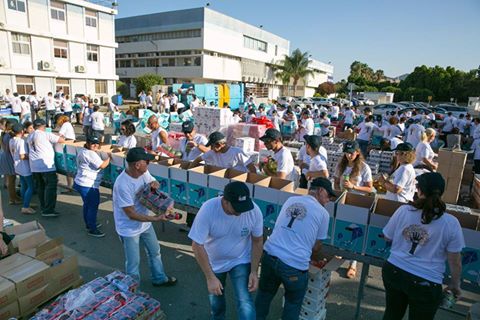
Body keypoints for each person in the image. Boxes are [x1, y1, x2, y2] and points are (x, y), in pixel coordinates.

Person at [382, 172, 464, 320]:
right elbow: (455, 260)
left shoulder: (404, 210)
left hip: (394, 270)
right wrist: (455, 284)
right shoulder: (451, 223)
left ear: (419, 190)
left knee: (391, 315)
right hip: (426, 282)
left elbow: (388, 236)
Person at [255, 177, 332, 320]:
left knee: (263, 297)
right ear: (320, 191)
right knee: (293, 304)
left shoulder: (291, 200)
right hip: (294, 265)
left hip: (270, 254)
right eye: (328, 196)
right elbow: (316, 247)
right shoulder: (323, 214)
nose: (328, 200)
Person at [189, 181, 263, 320]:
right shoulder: (208, 209)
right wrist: (210, 277)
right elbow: (197, 245)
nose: (240, 212)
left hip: (240, 259)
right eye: (236, 208)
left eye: (243, 207)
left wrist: (254, 271)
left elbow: (258, 241)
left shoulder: (254, 211)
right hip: (214, 262)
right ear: (225, 201)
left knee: (244, 300)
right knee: (216, 301)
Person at [112, 147, 177, 285]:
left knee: (155, 252)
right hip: (129, 229)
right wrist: (156, 218)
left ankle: (159, 279)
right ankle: (133, 294)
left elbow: (153, 181)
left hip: (145, 224)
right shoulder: (122, 184)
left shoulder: (143, 172)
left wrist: (155, 184)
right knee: (133, 264)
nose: (149, 163)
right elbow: (131, 214)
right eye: (146, 161)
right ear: (137, 165)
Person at [333, 140, 373, 279]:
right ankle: (339, 253)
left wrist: (353, 187)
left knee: (355, 232)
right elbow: (336, 181)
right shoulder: (341, 165)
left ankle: (353, 263)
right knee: (341, 228)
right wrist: (338, 190)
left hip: (357, 203)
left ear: (357, 152)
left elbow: (369, 189)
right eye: (347, 153)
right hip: (343, 201)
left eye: (352, 153)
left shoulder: (364, 167)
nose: (349, 156)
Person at [73, 135, 110, 237]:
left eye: (97, 143)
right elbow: (102, 165)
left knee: (87, 205)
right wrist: (109, 158)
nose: (95, 145)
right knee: (92, 207)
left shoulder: (82, 151)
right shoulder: (90, 154)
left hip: (80, 182)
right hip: (88, 185)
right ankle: (92, 229)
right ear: (88, 143)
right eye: (93, 143)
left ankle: (89, 224)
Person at [27, 118, 65, 217]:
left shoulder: (30, 135)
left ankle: (44, 207)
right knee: (51, 187)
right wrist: (60, 136)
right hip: (46, 166)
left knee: (41, 187)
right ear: (43, 126)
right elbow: (61, 140)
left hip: (34, 166)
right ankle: (48, 210)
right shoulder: (45, 134)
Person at [191, 132, 256, 173]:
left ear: (219, 145)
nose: (211, 148)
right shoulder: (212, 152)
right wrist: (189, 170)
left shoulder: (237, 152)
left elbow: (251, 167)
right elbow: (198, 159)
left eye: (212, 146)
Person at [9, 123, 35, 214]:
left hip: (17, 166)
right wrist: (32, 156)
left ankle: (26, 202)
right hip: (24, 166)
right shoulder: (21, 141)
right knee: (31, 186)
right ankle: (25, 206)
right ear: (22, 131)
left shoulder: (11, 140)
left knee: (24, 185)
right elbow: (22, 156)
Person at [0, 120, 22, 205]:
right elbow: (9, 149)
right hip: (8, 157)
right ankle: (12, 199)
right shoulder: (9, 135)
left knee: (11, 179)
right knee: (12, 180)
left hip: (5, 156)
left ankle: (14, 197)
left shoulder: (5, 134)